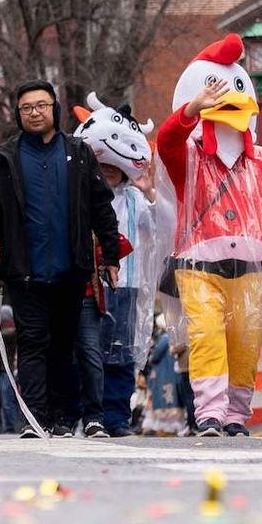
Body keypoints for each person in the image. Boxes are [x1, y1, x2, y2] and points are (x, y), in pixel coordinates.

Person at [156, 36, 262, 437]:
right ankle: (211, 413)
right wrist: (191, 109)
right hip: (199, 266)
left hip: (251, 268)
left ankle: (236, 414)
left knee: (245, 341)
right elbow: (166, 141)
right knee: (207, 337)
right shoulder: (190, 155)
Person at [0, 82, 122, 437]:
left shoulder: (79, 152)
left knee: (64, 346)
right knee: (32, 343)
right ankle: (35, 417)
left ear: (54, 109)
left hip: (71, 268)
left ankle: (61, 417)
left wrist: (110, 256)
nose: (35, 113)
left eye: (41, 105)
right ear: (18, 114)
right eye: (27, 108)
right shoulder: (5, 158)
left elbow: (101, 204)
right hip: (25, 271)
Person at [71, 94, 159, 437]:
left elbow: (159, 229)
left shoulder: (134, 199)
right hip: (88, 286)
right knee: (88, 351)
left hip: (126, 285)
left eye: (114, 167)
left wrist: (149, 192)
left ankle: (117, 416)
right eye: (101, 166)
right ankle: (86, 415)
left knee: (120, 355)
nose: (107, 172)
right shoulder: (79, 196)